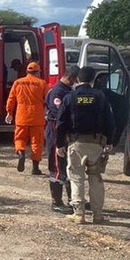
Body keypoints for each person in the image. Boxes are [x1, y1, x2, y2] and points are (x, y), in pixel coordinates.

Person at [56, 66, 116, 223]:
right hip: (96, 144)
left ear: (77, 79)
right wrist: (110, 141)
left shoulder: (70, 97)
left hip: (76, 144)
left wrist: (59, 144)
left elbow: (61, 122)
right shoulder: (101, 96)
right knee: (95, 178)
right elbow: (110, 121)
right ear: (93, 79)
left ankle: (79, 214)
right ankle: (98, 215)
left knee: (76, 177)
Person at [5, 60, 47, 174]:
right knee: (37, 142)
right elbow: (47, 100)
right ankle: (35, 168)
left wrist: (9, 112)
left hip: (21, 116)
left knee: (19, 138)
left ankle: (21, 152)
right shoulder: (42, 83)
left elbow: (11, 99)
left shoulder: (18, 83)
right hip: (37, 117)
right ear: (38, 72)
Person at [44, 68, 76, 212]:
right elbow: (59, 116)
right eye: (75, 80)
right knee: (57, 167)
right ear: (70, 78)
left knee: (67, 167)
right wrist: (60, 141)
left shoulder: (66, 90)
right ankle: (56, 202)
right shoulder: (58, 92)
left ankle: (73, 200)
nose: (75, 83)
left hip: (64, 132)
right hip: (56, 131)